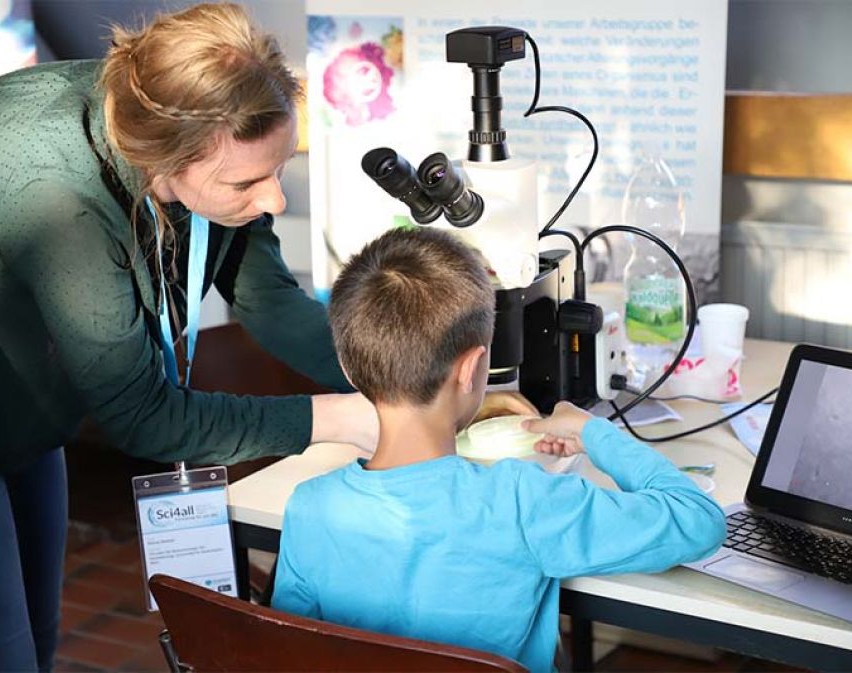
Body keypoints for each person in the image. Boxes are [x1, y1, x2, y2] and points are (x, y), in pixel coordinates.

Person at [0, 4, 537, 670]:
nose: (274, 199)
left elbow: (270, 301)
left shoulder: (201, 133)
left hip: (26, 407)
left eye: (277, 170)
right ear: (164, 166)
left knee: (35, 644)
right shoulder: (57, 198)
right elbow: (142, 415)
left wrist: (417, 386)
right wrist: (344, 418)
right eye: (248, 182)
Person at [271, 227, 726, 672]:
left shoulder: (310, 508)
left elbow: (293, 652)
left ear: (350, 369)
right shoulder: (521, 501)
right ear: (472, 368)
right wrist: (593, 434)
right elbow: (697, 521)